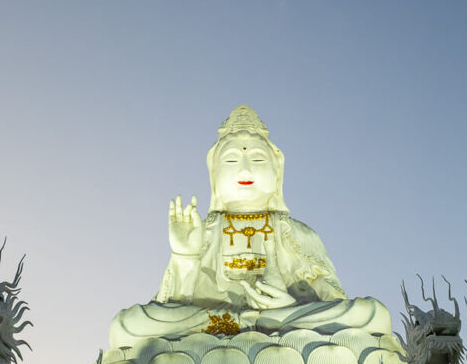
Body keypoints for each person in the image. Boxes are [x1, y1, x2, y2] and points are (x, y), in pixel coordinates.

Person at [109, 106, 397, 345]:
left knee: (372, 314)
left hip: (284, 318)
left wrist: (289, 305)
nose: (245, 169)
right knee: (127, 324)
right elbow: (174, 304)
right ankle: (243, 326)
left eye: (257, 158)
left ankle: (254, 325)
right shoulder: (205, 230)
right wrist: (185, 256)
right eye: (232, 159)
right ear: (214, 173)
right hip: (220, 323)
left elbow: (332, 298)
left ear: (277, 171)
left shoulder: (296, 233)